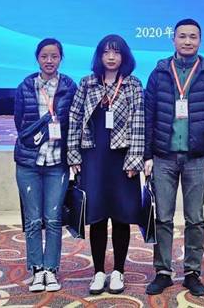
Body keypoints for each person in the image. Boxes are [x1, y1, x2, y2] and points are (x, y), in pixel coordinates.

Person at [143, 18, 204, 297]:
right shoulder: (159, 73)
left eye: (193, 36)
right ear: (173, 40)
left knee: (195, 219)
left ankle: (192, 272)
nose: (187, 41)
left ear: (200, 41)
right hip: (163, 157)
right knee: (162, 218)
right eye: (182, 36)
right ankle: (163, 272)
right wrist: (147, 154)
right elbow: (148, 116)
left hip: (197, 158)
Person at [67, 34, 145, 296]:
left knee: (122, 216)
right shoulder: (87, 83)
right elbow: (75, 118)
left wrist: (135, 158)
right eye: (106, 52)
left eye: (117, 52)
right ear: (99, 56)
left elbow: (139, 121)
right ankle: (98, 272)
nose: (111, 57)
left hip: (123, 161)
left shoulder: (133, 84)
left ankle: (119, 271)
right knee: (97, 216)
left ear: (124, 56)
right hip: (94, 158)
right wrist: (73, 155)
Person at [13, 38, 77, 293]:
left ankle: (51, 269)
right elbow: (20, 122)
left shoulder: (69, 87)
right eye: (44, 56)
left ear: (61, 58)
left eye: (54, 56)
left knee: (52, 219)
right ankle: (36, 269)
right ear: (37, 58)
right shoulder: (25, 87)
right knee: (32, 220)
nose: (49, 61)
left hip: (57, 163)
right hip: (28, 162)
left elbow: (73, 123)